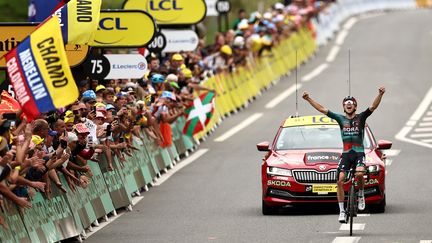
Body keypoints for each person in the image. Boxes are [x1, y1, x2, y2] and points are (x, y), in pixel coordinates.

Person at [302, 86, 385, 223]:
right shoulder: (340, 119)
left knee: (359, 174)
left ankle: (361, 195)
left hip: (359, 153)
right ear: (343, 107)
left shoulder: (361, 118)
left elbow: (373, 107)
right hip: (346, 154)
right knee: (340, 180)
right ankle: (341, 211)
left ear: (355, 107)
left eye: (351, 104)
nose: (348, 106)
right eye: (346, 105)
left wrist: (380, 94)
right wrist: (308, 99)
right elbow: (323, 109)